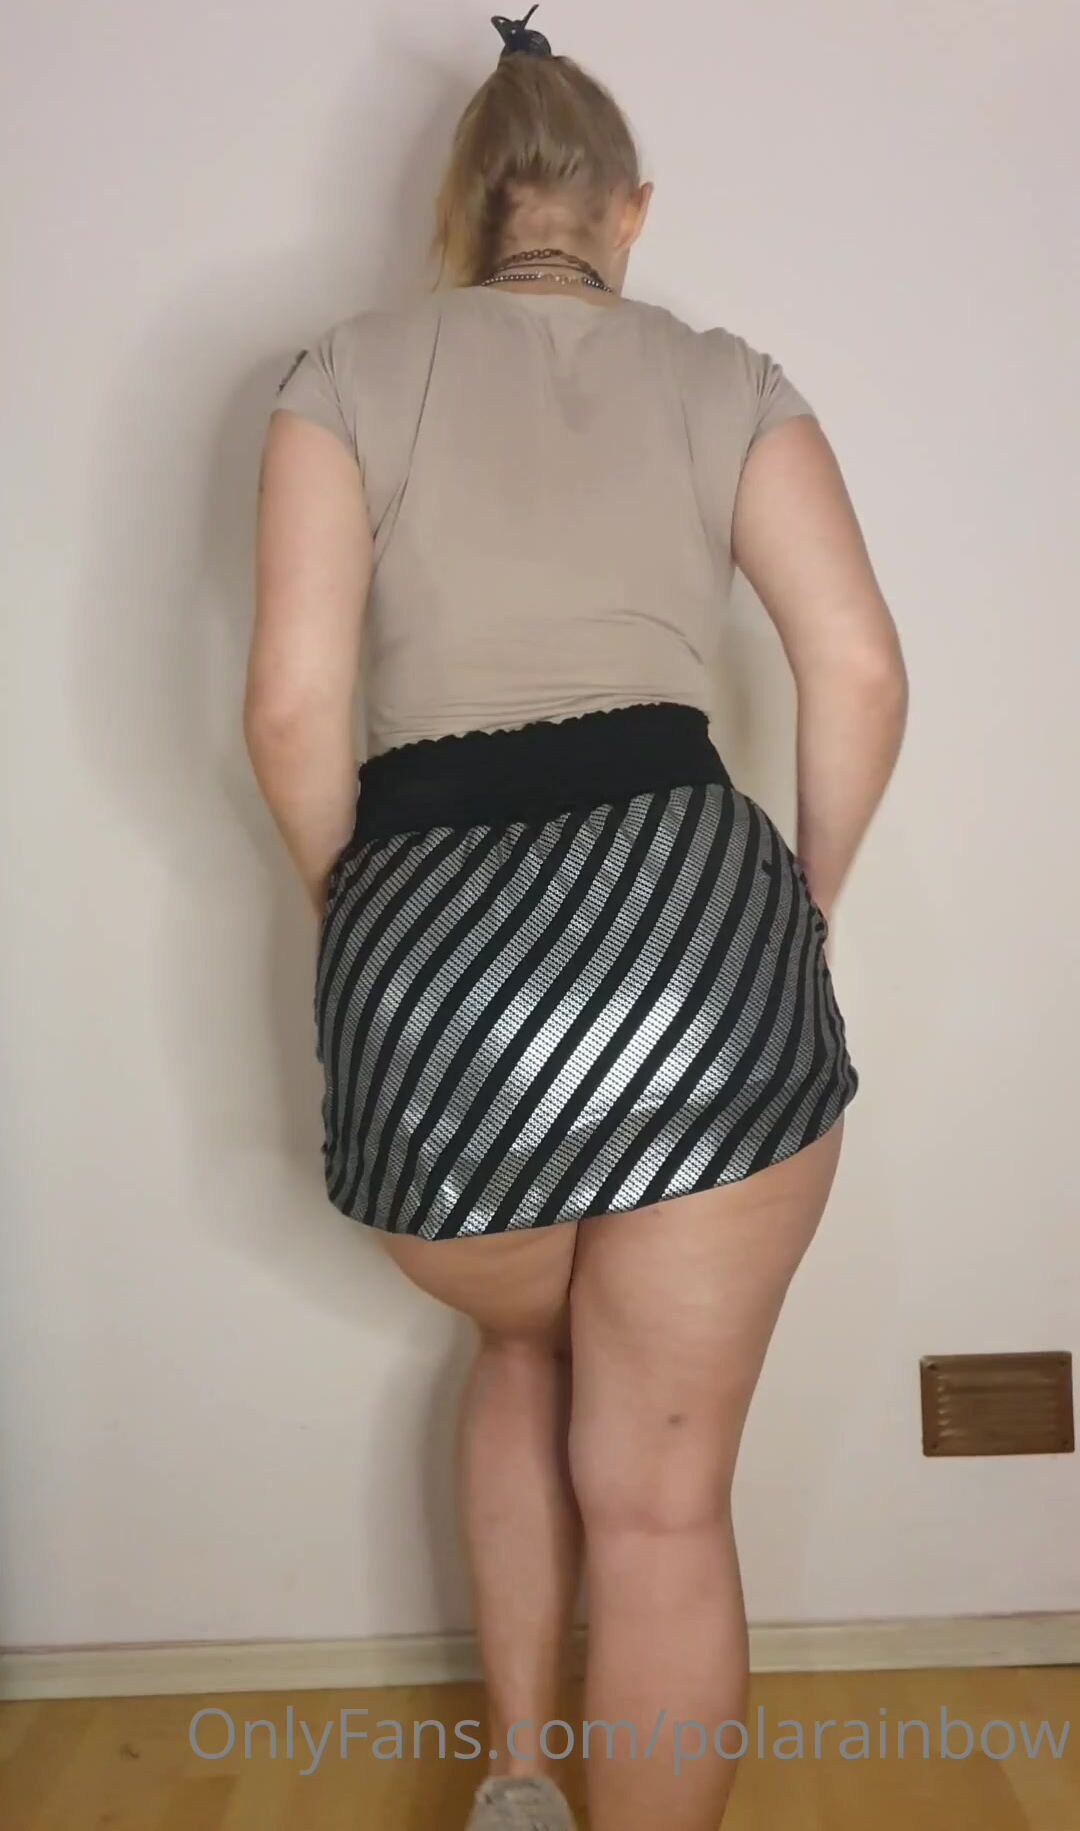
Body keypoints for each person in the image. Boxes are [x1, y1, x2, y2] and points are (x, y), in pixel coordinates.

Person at [245, 8, 908, 1828]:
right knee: (665, 1507)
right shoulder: (726, 376)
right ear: (629, 209)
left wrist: (355, 910)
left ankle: (525, 1780)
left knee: (521, 1341)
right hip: (697, 937)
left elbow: (292, 712)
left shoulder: (344, 368)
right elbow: (857, 668)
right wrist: (802, 904)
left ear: (462, 209)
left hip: (435, 960)